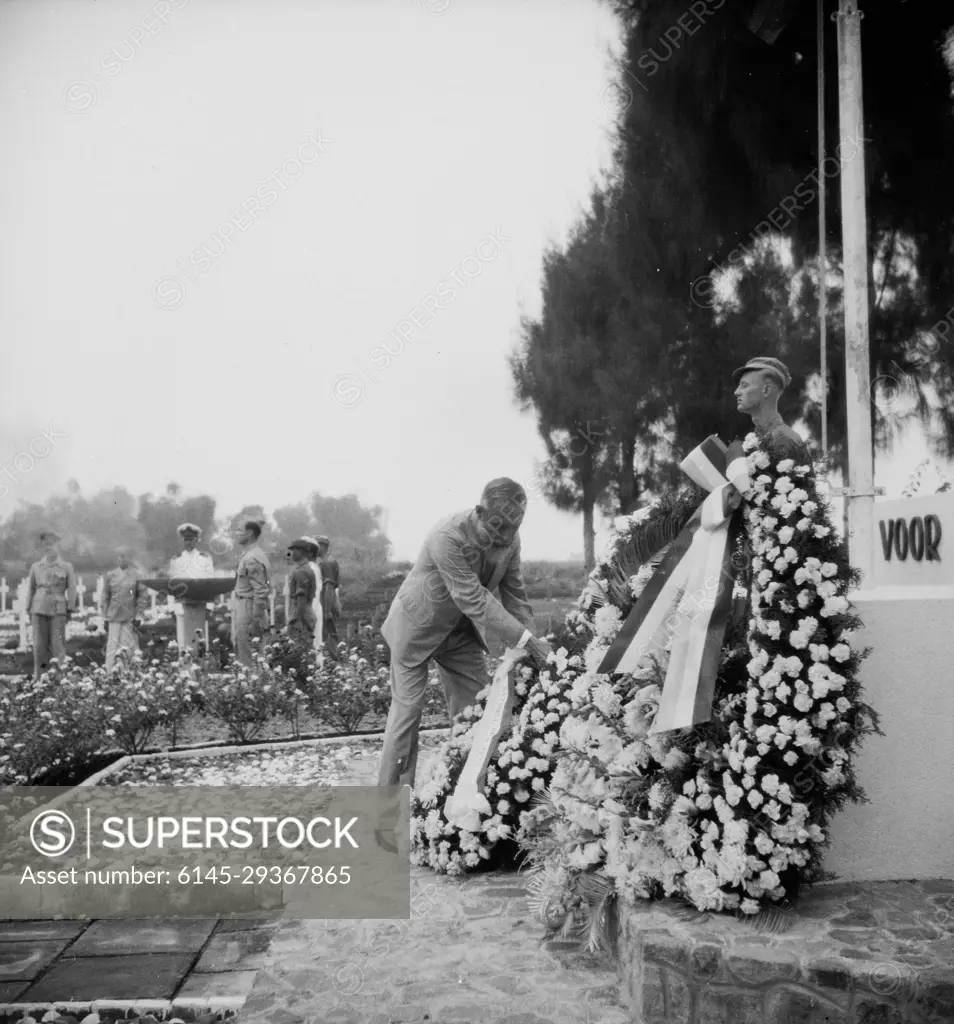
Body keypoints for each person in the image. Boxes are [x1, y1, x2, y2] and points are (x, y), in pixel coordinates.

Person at [376, 478, 552, 801]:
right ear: (479, 511)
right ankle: (388, 807)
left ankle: (459, 792)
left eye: (508, 534)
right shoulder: (447, 535)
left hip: (459, 633)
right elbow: (472, 598)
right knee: (407, 713)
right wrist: (527, 641)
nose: (499, 541)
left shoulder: (511, 542)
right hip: (416, 628)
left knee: (477, 709)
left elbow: (515, 594)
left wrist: (535, 648)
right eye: (494, 531)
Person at [26, 531, 77, 679]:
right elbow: (31, 588)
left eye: (51, 544)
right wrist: (28, 608)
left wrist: (70, 608)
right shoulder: (36, 567)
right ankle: (40, 679)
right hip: (38, 609)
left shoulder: (66, 567)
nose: (47, 547)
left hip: (58, 609)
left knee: (57, 646)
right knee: (40, 647)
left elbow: (72, 589)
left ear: (58, 545)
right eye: (45, 544)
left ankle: (59, 679)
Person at [168, 523, 215, 655]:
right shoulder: (177, 559)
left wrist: (210, 607)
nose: (188, 542)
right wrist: (171, 607)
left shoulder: (204, 558)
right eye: (186, 539)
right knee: (182, 642)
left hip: (200, 605)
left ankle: (199, 670)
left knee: (199, 640)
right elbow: (171, 584)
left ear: (197, 540)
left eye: (191, 539)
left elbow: (210, 584)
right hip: (181, 605)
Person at [102, 547, 148, 672]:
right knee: (112, 647)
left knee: (127, 646)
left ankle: (126, 673)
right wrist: (105, 617)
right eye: (119, 556)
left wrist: (139, 615)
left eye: (124, 556)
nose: (120, 559)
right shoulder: (110, 575)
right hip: (113, 616)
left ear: (130, 558)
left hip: (129, 616)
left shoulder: (137, 575)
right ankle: (110, 674)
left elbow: (142, 596)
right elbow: (105, 596)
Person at [233, 518, 271, 666]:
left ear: (249, 534)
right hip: (249, 605)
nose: (237, 534)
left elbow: (260, 591)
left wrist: (256, 619)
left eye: (240, 531)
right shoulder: (253, 554)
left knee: (248, 651)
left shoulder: (252, 558)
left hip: (250, 607)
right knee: (251, 650)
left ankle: (252, 685)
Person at [285, 538, 318, 643]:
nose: (292, 553)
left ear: (301, 552)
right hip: (305, 612)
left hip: (301, 614)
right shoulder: (304, 569)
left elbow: (301, 597)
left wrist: (297, 619)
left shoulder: (302, 571)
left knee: (300, 649)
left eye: (294, 550)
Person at [316, 535, 340, 654]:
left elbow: (329, 588)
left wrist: (326, 610)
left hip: (327, 604)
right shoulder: (324, 562)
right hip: (326, 603)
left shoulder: (328, 563)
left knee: (329, 637)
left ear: (323, 546)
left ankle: (334, 666)